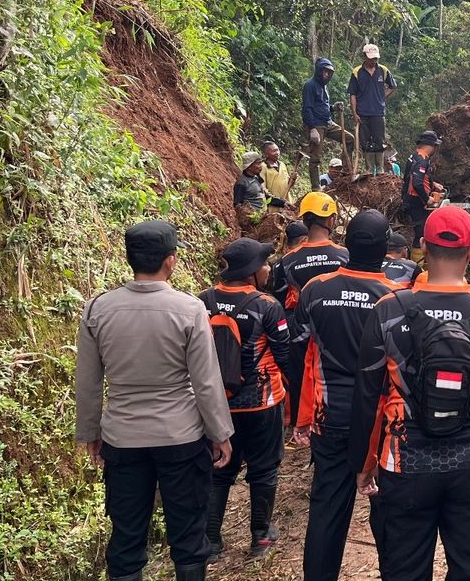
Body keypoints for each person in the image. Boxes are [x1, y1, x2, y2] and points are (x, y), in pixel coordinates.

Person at [349, 206, 470, 581]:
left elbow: (369, 396)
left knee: (404, 571)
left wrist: (364, 464)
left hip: (405, 463)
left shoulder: (388, 311)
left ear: (423, 246)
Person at [75, 220, 234, 581]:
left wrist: (90, 432)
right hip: (181, 438)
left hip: (122, 439)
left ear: (129, 258)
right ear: (170, 260)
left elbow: (87, 381)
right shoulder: (189, 309)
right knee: (189, 536)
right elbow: (206, 381)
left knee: (126, 537)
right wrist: (220, 433)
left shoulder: (98, 309)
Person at [293, 210, 399, 581]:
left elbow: (297, 352)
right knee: (388, 508)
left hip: (330, 415)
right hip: (382, 421)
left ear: (347, 244)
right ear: (385, 249)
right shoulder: (397, 298)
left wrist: (300, 415)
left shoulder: (315, 289)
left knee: (327, 507)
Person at [199, 239, 290, 561]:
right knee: (264, 469)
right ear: (252, 270)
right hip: (262, 402)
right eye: (264, 264)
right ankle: (260, 537)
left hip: (216, 404)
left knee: (219, 469)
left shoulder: (203, 300)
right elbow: (284, 354)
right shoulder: (267, 306)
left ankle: (211, 541)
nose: (268, 269)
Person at [274, 192, 350, 429]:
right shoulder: (344, 255)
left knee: (300, 374)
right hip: (338, 325)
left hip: (301, 328)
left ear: (304, 220)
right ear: (331, 220)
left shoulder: (287, 261)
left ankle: (301, 420)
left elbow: (279, 299)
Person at [347, 44, 398, 175]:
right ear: (364, 56)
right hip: (362, 113)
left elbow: (392, 86)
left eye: (375, 58)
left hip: (378, 112)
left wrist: (382, 97)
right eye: (371, 58)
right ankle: (369, 168)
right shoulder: (357, 72)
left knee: (379, 140)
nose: (373, 61)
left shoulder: (383, 70)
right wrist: (354, 113)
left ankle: (380, 168)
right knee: (365, 142)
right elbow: (352, 94)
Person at [302, 57, 349, 187]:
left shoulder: (324, 87)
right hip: (316, 124)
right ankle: (316, 187)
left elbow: (323, 107)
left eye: (329, 73)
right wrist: (312, 129)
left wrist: (334, 108)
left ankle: (346, 173)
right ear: (319, 71)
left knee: (349, 139)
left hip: (328, 122)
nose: (327, 75)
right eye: (325, 71)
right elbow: (307, 109)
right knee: (315, 158)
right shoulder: (310, 85)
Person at [401, 130, 445, 260]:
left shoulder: (414, 156)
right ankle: (417, 264)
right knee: (421, 232)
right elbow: (417, 183)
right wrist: (427, 199)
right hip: (416, 201)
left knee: (420, 230)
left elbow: (412, 176)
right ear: (431, 145)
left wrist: (433, 184)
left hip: (408, 198)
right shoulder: (422, 160)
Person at [260, 141, 294, 210]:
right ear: (266, 154)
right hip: (273, 206)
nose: (277, 153)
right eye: (274, 151)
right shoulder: (263, 167)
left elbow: (288, 185)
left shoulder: (282, 165)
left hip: (287, 204)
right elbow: (263, 190)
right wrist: (278, 201)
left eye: (278, 150)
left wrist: (293, 180)